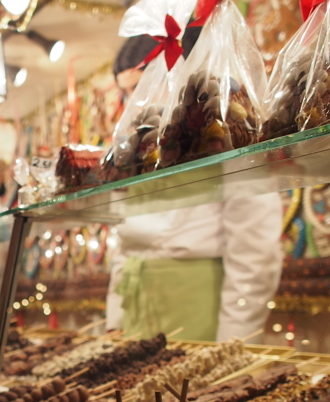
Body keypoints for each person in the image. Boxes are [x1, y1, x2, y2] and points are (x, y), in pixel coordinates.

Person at [106, 36, 283, 342]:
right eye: (127, 93)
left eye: (141, 86)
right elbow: (125, 245)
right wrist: (115, 320)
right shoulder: (138, 148)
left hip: (199, 310)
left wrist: (234, 341)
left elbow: (254, 250)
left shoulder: (222, 130)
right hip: (136, 307)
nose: (135, 102)